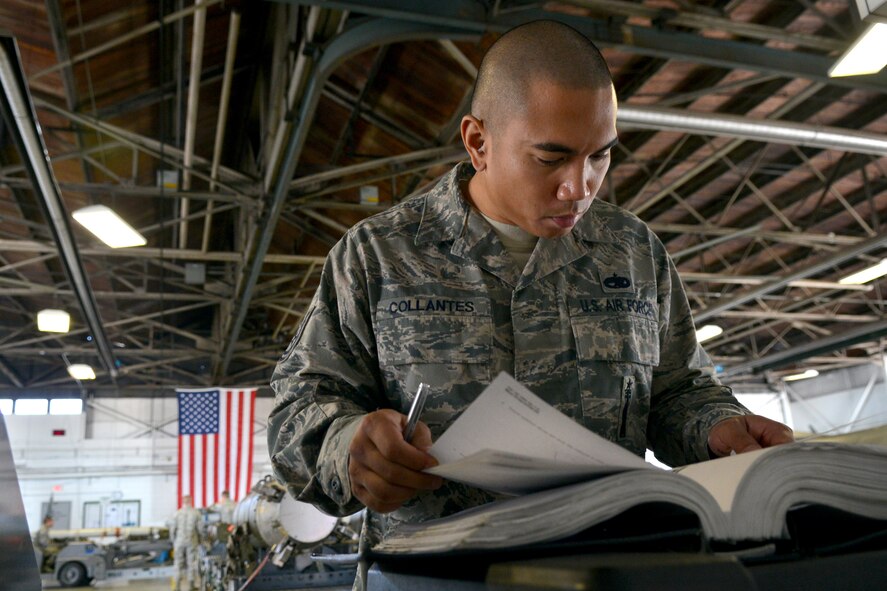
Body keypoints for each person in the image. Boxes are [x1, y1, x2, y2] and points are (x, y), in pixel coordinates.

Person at [268, 19, 793, 538]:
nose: (579, 188)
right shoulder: (378, 257)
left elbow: (678, 389)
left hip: (603, 564)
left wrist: (719, 426)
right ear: (478, 142)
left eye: (601, 154)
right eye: (551, 157)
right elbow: (298, 413)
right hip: (439, 575)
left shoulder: (631, 252)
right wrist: (348, 445)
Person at [169, 494, 202, 591]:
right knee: (191, 563)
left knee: (177, 563)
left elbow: (172, 530)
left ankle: (177, 587)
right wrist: (200, 540)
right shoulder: (196, 513)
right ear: (191, 501)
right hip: (191, 541)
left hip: (179, 541)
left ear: (183, 501)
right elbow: (200, 529)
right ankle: (191, 587)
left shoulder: (177, 513)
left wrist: (174, 541)